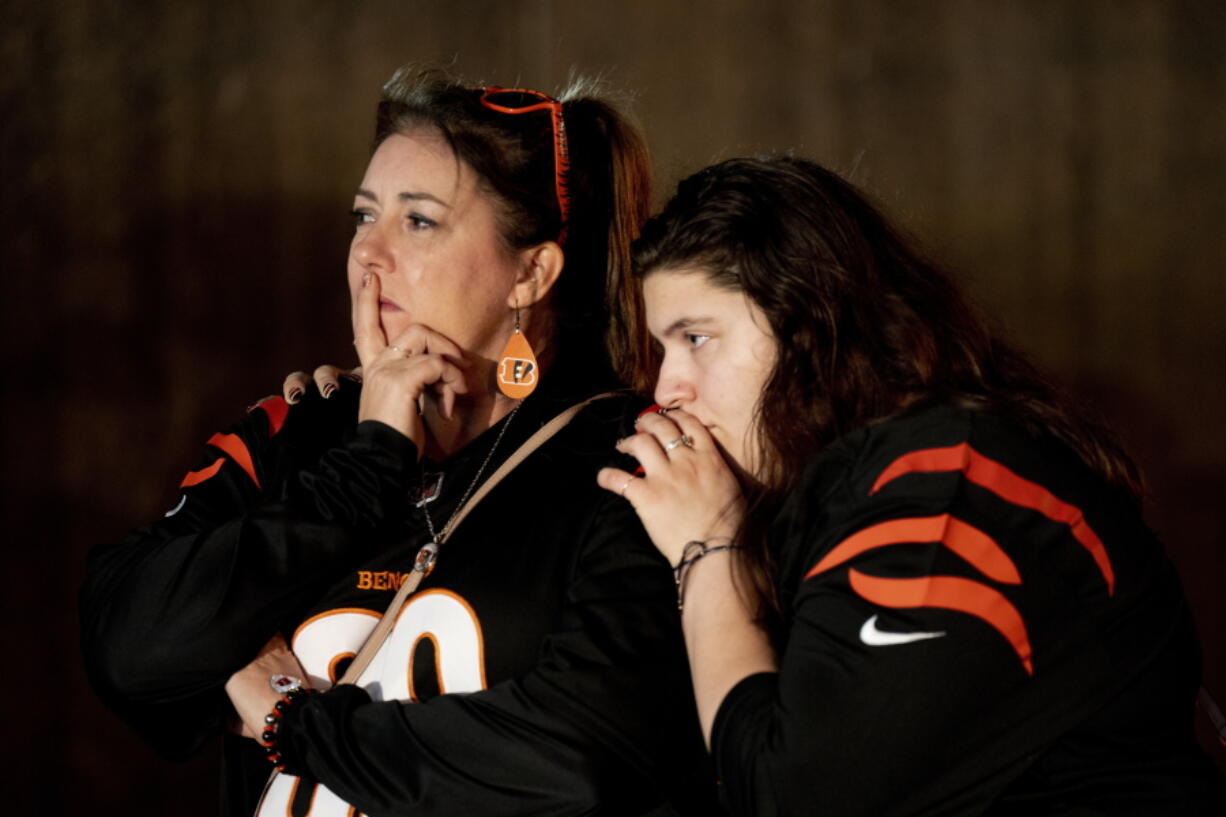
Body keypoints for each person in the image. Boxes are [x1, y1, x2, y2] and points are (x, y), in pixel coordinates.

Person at [80, 67, 717, 817]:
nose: (367, 255)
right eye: (362, 216)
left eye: (417, 221)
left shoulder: (626, 460)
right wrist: (366, 462)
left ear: (530, 271)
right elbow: (127, 643)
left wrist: (294, 720)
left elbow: (578, 757)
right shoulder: (301, 426)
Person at [598, 156, 1225, 815]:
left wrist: (709, 549)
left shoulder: (945, 482)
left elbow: (798, 800)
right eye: (662, 352)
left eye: (696, 337)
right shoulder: (860, 483)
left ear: (807, 322)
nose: (668, 388)